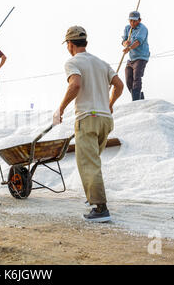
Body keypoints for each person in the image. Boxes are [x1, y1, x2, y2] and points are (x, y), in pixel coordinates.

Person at [55, 26, 124, 222]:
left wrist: (60, 109)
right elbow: (119, 85)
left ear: (69, 44)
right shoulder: (102, 63)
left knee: (88, 163)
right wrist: (109, 104)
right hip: (105, 120)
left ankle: (100, 208)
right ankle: (93, 197)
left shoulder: (72, 62)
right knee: (93, 160)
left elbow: (75, 84)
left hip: (87, 118)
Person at [122, 11, 150, 101]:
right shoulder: (127, 28)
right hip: (131, 58)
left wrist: (129, 48)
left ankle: (136, 100)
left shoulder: (143, 29)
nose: (132, 23)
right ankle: (139, 97)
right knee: (128, 79)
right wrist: (125, 43)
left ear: (139, 20)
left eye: (134, 21)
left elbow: (138, 42)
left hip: (141, 57)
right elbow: (123, 41)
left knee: (136, 77)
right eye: (130, 21)